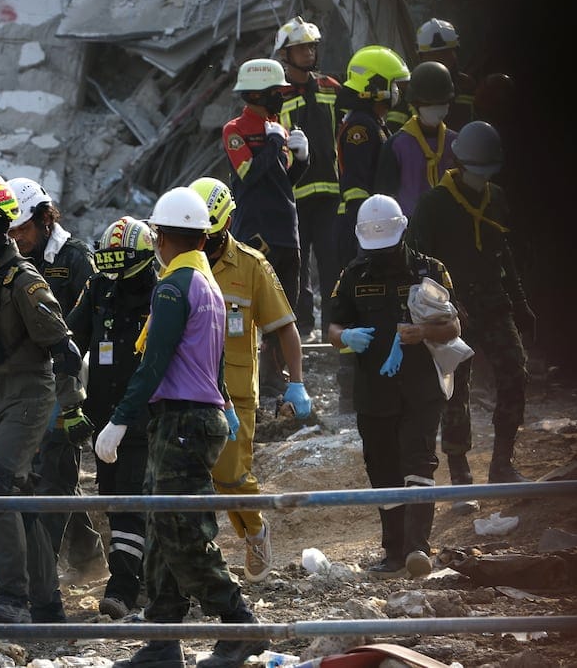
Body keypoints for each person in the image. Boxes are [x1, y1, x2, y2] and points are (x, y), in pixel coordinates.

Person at [96, 187, 268, 668]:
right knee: (162, 527)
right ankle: (163, 636)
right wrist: (226, 404)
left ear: (162, 237)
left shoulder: (173, 285)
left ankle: (239, 624)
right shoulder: (206, 281)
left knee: (182, 531)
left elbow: (153, 364)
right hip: (193, 417)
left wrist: (118, 420)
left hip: (182, 420)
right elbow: (209, 358)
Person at [0, 171, 86, 624]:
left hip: (27, 396)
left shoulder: (23, 280)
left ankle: (13, 598)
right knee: (21, 498)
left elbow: (62, 349)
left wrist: (73, 407)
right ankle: (48, 603)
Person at [327, 194, 459, 577]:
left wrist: (422, 332)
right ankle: (394, 552)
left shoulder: (429, 271)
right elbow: (332, 327)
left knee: (418, 461)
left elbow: (454, 327)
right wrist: (346, 337)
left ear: (403, 232)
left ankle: (419, 547)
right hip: (373, 390)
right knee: (382, 468)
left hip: (421, 387)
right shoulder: (353, 275)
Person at [191, 176, 312, 583]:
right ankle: (193, 565)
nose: (200, 241)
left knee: (229, 476)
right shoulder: (175, 261)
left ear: (225, 224)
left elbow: (285, 326)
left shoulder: (252, 266)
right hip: (186, 387)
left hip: (236, 394)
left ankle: (255, 532)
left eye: (208, 233)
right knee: (185, 478)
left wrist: (296, 382)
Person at [406, 121, 533, 485]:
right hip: (452, 305)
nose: (481, 178)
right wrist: (443, 305)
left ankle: (502, 464)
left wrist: (520, 302)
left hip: (493, 299)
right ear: (460, 165)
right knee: (455, 386)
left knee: (514, 371)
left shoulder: (496, 197)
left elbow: (503, 252)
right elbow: (419, 262)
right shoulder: (433, 204)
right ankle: (460, 471)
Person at [5, 176, 108, 589]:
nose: (18, 238)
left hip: (68, 382)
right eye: (11, 231)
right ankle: (88, 555)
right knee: (45, 473)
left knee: (57, 472)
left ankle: (41, 571)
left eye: (24, 229)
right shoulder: (15, 260)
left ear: (45, 220)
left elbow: (95, 324)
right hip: (29, 382)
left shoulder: (78, 259)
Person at [66, 216, 157, 619]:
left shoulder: (162, 293)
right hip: (103, 419)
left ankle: (123, 587)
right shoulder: (99, 287)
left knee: (130, 504)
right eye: (110, 263)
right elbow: (72, 339)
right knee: (113, 500)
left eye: (124, 265)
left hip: (145, 419)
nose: (117, 274)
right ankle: (144, 579)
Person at [222, 57, 310, 396]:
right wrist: (273, 144)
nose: (282, 97)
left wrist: (302, 160)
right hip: (257, 235)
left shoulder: (278, 127)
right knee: (247, 312)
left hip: (287, 232)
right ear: (256, 95)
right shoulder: (235, 130)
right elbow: (248, 175)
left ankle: (278, 383)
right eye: (276, 91)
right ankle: (244, 385)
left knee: (286, 310)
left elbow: (281, 182)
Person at [334, 44, 410, 413]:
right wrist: (370, 227)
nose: (397, 92)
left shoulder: (372, 122)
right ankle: (351, 387)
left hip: (370, 226)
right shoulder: (360, 128)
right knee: (359, 304)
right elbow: (359, 184)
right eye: (393, 85)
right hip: (360, 226)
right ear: (375, 85)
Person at [274, 16, 342, 343]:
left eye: (311, 47)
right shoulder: (276, 96)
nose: (308, 53)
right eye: (300, 48)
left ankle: (332, 325)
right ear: (285, 54)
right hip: (294, 195)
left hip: (330, 193)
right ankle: (302, 328)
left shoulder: (330, 88)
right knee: (297, 267)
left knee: (332, 263)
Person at [375, 61, 459, 217]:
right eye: (429, 104)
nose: (436, 108)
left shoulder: (457, 143)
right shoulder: (396, 146)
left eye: (442, 103)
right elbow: (385, 197)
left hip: (451, 228)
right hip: (410, 229)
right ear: (415, 104)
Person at [388, 18, 478, 133]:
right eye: (434, 55)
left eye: (445, 54)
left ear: (455, 52)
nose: (440, 61)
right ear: (421, 57)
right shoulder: (404, 88)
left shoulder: (467, 86)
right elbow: (393, 134)